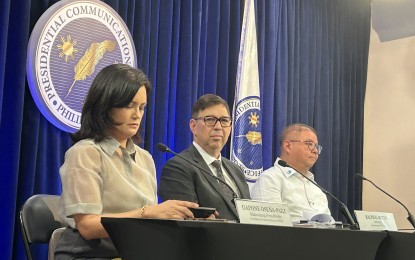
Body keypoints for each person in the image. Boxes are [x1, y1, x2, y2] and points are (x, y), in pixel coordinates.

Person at [55, 64, 199, 259]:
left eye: (141, 107)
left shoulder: (145, 158)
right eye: (129, 105)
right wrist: (149, 213)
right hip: (90, 254)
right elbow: (88, 226)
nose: (137, 114)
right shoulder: (84, 153)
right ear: (105, 105)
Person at [158, 94, 251, 221]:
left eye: (224, 120)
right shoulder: (178, 167)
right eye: (210, 120)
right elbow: (186, 222)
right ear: (193, 126)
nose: (218, 127)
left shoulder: (236, 170)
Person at [250, 123, 331, 222]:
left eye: (317, 146)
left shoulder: (317, 188)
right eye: (309, 144)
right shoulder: (270, 179)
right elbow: (270, 227)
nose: (315, 151)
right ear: (288, 146)